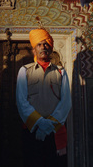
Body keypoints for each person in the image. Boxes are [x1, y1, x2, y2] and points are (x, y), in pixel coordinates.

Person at [16, 28, 72, 167]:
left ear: (51, 48)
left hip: (55, 130)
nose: (43, 47)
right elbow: (21, 101)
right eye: (39, 44)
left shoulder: (61, 71)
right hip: (32, 131)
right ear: (34, 50)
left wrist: (49, 125)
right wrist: (39, 123)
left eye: (46, 44)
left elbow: (66, 102)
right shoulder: (24, 71)